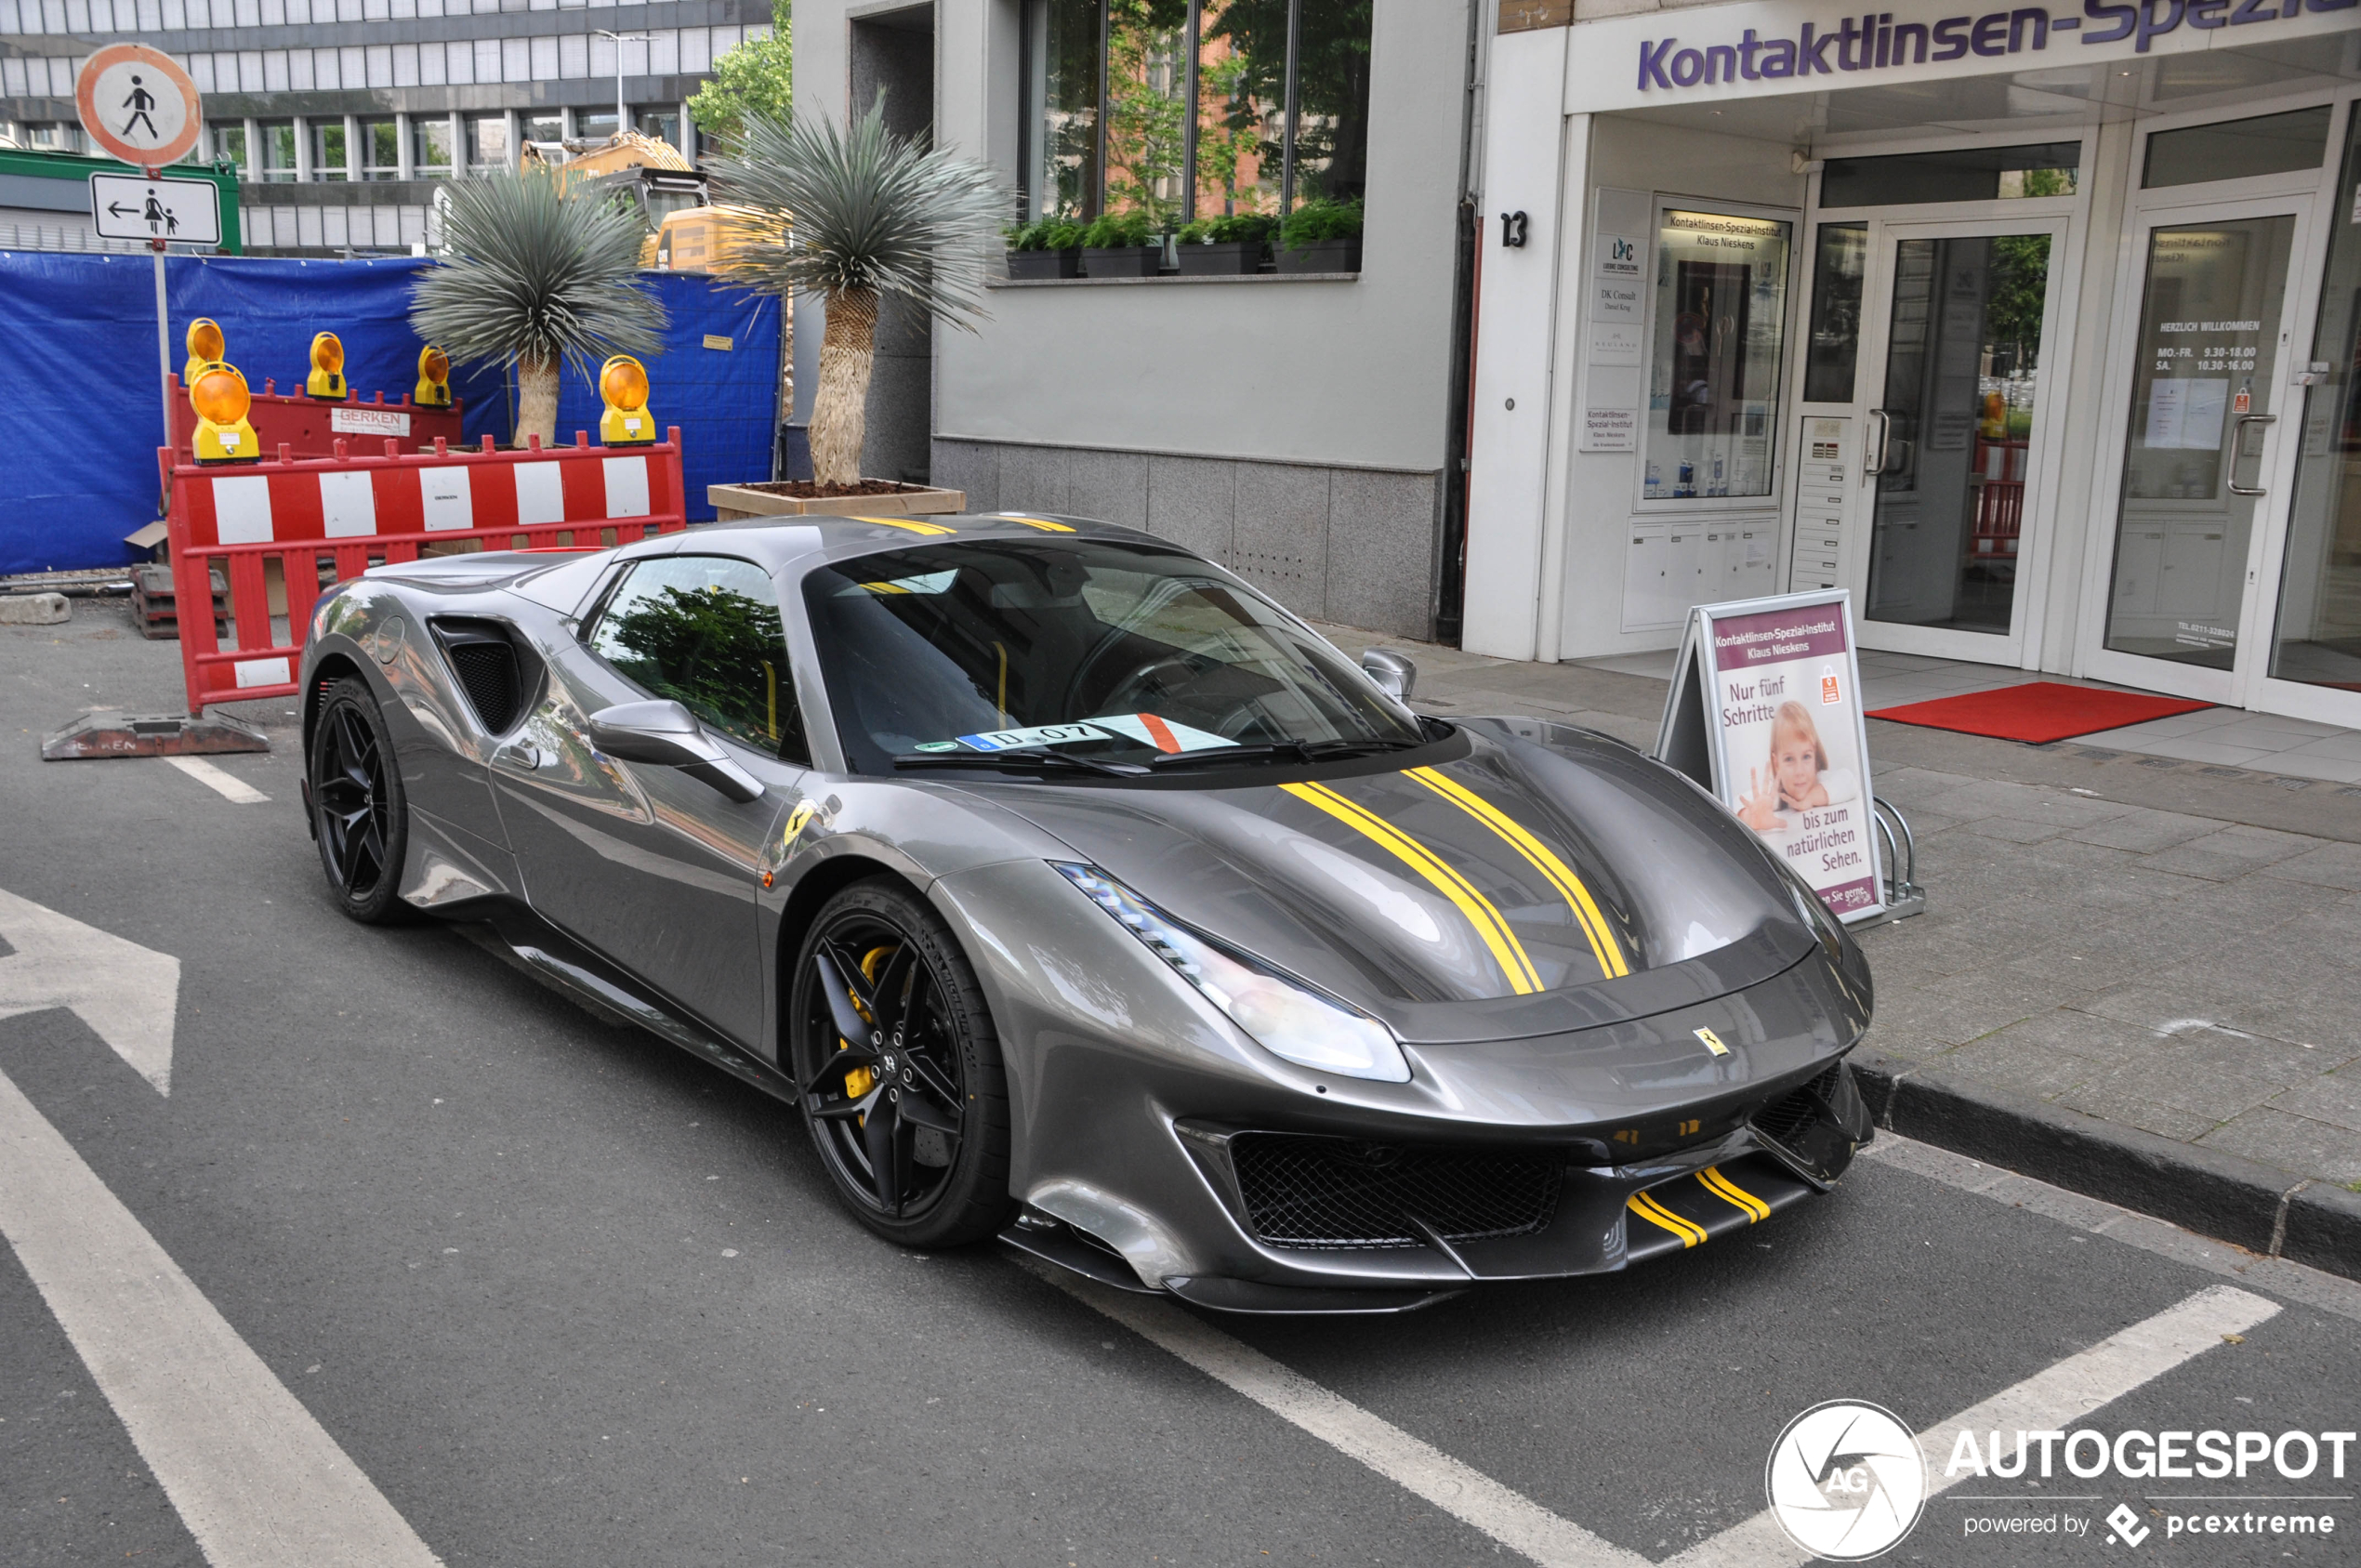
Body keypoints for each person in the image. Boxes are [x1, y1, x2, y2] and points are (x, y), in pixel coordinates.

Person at [1737, 701, 1857, 832]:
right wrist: (1750, 816)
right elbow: (1736, 803)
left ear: (1815, 757)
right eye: (1789, 759)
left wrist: (1811, 799)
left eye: (1806, 757)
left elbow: (1849, 780)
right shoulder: (1776, 794)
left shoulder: (1821, 781)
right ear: (1777, 763)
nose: (1799, 771)